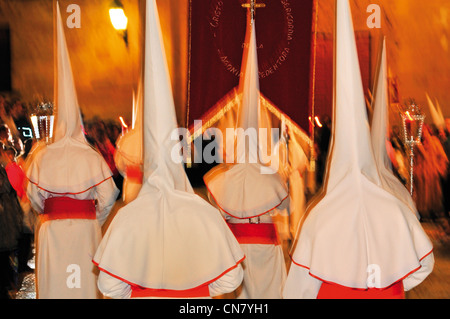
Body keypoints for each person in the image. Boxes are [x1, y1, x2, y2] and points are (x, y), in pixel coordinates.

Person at [93, 0, 244, 299]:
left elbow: (109, 286)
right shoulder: (205, 214)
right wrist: (195, 291)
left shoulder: (127, 218)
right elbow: (231, 279)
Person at [283, 0, 434, 299]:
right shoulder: (395, 210)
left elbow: (298, 290)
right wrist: (389, 282)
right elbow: (423, 264)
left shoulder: (318, 217)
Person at [25, 3, 118, 299]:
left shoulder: (42, 156)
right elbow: (109, 195)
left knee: (56, 289)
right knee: (81, 291)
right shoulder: (90, 156)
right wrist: (92, 219)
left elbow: (34, 198)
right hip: (84, 231)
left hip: (52, 232)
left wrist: (52, 214)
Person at [203, 13, 288, 299]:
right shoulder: (274, 178)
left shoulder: (220, 180)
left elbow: (218, 217)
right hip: (266, 251)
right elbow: (284, 210)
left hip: (236, 252)